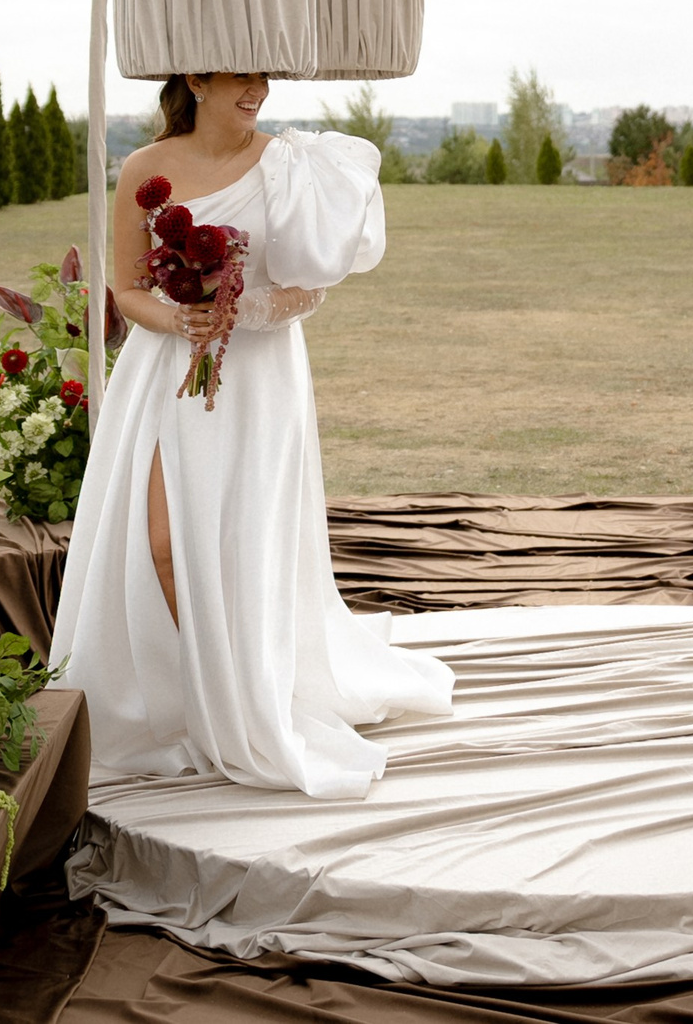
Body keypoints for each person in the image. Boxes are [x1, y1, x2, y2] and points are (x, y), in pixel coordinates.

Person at [51, 70, 453, 798]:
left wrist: (241, 306)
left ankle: (245, 697)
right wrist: (181, 318)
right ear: (198, 77)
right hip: (166, 376)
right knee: (165, 544)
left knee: (244, 543)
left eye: (265, 75)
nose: (259, 90)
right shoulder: (145, 169)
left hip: (260, 380)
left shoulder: (293, 164)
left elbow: (313, 286)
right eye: (242, 74)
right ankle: (189, 701)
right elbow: (127, 288)